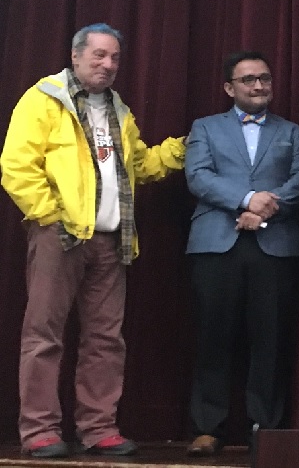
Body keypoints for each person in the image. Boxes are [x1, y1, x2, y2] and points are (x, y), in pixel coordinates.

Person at [0, 23, 186, 458]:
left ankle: (98, 427)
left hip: (111, 241)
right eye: (99, 55)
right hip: (58, 235)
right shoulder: (44, 99)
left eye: (115, 58)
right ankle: (39, 431)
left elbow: (139, 165)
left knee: (106, 339)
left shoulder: (118, 109)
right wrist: (52, 217)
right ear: (76, 55)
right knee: (44, 335)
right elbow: (16, 166)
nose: (108, 65)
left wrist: (181, 150)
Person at [183, 51, 299, 456]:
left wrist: (265, 208)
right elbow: (198, 175)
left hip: (275, 245)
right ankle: (208, 427)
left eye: (265, 79)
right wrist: (245, 200)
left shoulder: (292, 132)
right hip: (216, 243)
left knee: (270, 338)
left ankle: (266, 429)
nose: (259, 86)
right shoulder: (204, 127)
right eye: (248, 80)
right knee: (214, 336)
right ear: (229, 87)